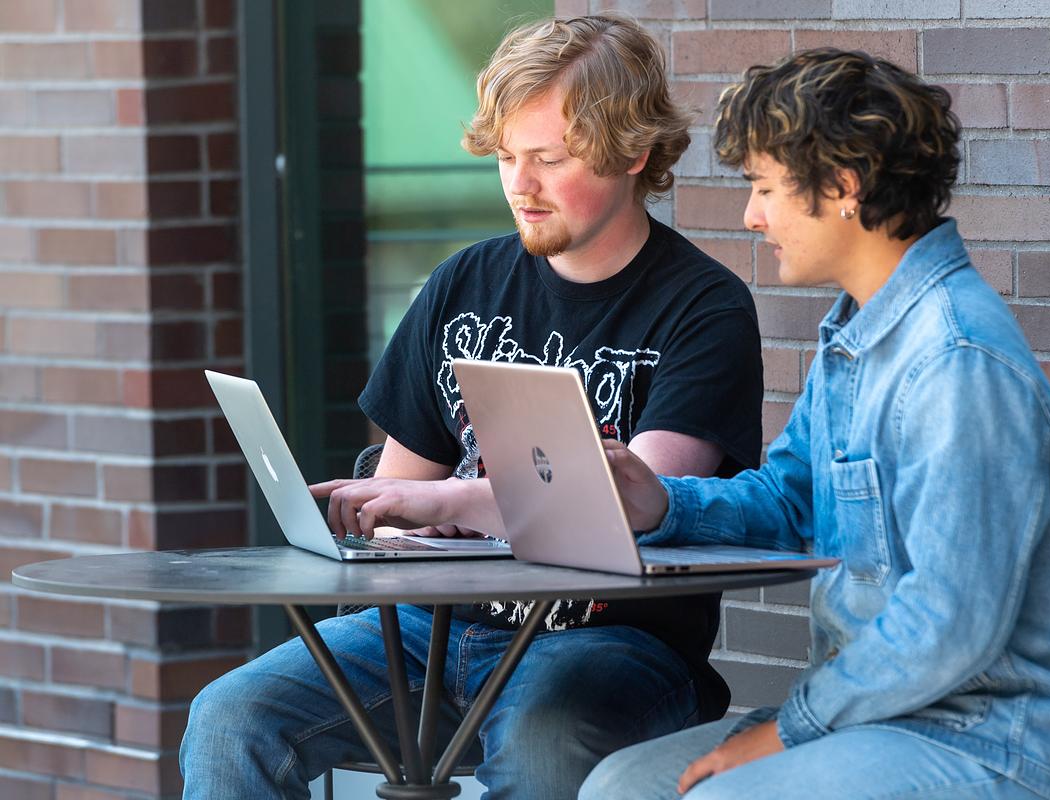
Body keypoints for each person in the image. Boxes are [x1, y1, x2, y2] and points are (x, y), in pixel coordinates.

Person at [179, 14, 764, 799]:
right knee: (230, 716)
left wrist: (449, 500)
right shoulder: (463, 285)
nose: (519, 184)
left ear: (635, 152)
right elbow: (398, 495)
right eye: (507, 157)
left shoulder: (704, 308)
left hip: (606, 642)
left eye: (549, 159)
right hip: (433, 628)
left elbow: (624, 502)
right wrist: (382, 521)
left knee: (542, 744)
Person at [578, 49, 1050, 800]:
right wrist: (664, 503)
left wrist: (787, 730)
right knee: (619, 787)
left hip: (994, 741)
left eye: (765, 187)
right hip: (880, 717)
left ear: (842, 187)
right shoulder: (858, 338)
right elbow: (787, 499)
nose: (751, 215)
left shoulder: (956, 362)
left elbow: (949, 622)